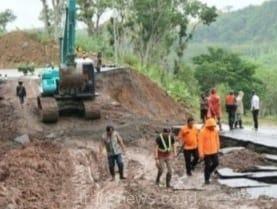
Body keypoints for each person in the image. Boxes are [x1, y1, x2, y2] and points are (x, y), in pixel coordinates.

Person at [198, 118, 220, 184]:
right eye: (212, 126)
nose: (213, 127)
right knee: (207, 166)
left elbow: (217, 140)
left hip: (214, 151)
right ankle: (206, 179)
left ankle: (209, 172)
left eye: (214, 126)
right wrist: (201, 153)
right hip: (206, 152)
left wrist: (218, 148)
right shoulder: (202, 132)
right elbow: (200, 143)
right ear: (208, 125)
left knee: (216, 163)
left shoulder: (215, 131)